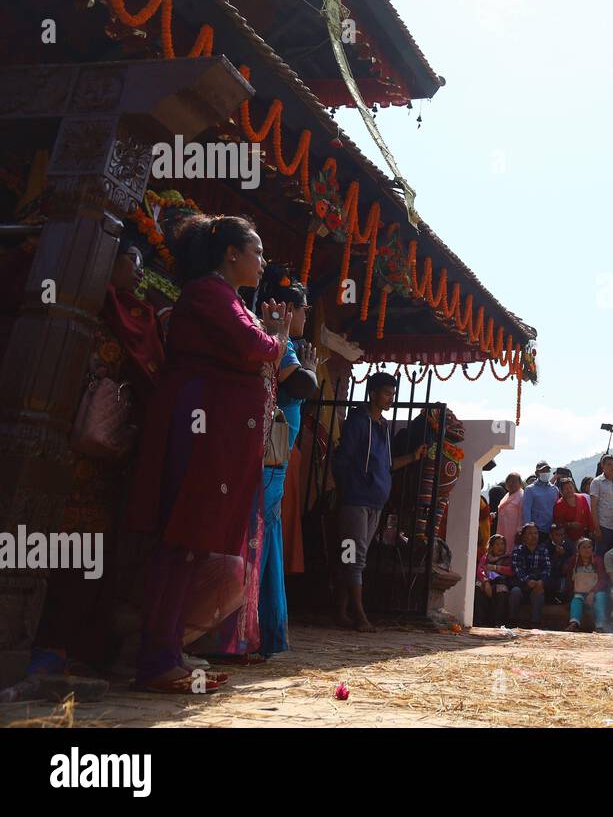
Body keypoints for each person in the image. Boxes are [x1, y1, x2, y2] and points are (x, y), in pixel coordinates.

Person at [128, 215, 287, 693]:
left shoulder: (224, 296)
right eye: (256, 252)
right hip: (196, 426)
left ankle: (169, 652)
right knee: (180, 539)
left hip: (208, 429)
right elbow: (253, 344)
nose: (262, 262)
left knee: (190, 542)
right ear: (231, 254)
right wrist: (278, 334)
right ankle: (157, 660)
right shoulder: (209, 293)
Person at [35, 235, 165, 675]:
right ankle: (49, 642)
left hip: (101, 454)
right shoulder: (92, 307)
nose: (138, 270)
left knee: (88, 553)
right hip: (61, 441)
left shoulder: (132, 315)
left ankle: (70, 645)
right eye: (132, 259)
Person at [253, 265, 317, 659]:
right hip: (269, 454)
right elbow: (299, 383)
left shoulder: (287, 343)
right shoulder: (285, 344)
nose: (307, 318)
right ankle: (250, 629)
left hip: (276, 454)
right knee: (261, 536)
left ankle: (266, 632)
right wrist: (308, 368)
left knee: (269, 536)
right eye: (305, 309)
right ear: (290, 310)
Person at [330, 371, 427, 632]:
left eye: (393, 394)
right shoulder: (359, 423)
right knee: (354, 557)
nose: (390, 399)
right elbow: (341, 460)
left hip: (374, 501)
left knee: (350, 557)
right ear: (373, 393)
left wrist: (412, 457)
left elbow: (387, 465)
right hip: (356, 501)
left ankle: (341, 612)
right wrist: (348, 489)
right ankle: (359, 616)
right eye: (387, 393)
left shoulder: (383, 427)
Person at [510, 523, 552, 628]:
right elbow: (517, 569)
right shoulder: (517, 550)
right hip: (521, 584)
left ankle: (535, 624)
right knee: (515, 592)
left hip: (537, 584)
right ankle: (512, 621)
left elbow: (547, 568)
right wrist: (527, 580)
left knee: (538, 592)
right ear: (523, 536)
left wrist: (541, 581)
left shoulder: (543, 550)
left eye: (535, 533)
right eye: (529, 533)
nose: (533, 536)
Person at [564, 538, 609, 632]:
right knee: (577, 598)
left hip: (595, 592)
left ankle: (600, 626)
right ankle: (574, 624)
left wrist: (592, 593)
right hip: (579, 592)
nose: (587, 550)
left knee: (600, 596)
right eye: (583, 547)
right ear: (578, 550)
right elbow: (569, 579)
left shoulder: (598, 560)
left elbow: (602, 580)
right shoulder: (574, 561)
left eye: (589, 547)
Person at [588, 454, 613, 554]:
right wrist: (597, 529)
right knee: (601, 556)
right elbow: (594, 507)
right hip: (604, 526)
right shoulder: (596, 482)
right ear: (602, 466)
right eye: (609, 464)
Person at [477, 534, 514, 627]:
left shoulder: (507, 559)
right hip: (487, 582)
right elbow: (480, 570)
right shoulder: (485, 558)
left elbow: (510, 571)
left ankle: (498, 623)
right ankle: (479, 621)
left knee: (501, 592)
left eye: (502, 544)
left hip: (502, 582)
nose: (500, 547)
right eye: (497, 544)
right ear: (492, 547)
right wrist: (485, 582)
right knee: (478, 588)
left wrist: (495, 567)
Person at [553, 476, 596, 546]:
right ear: (561, 491)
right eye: (566, 489)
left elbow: (588, 515)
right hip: (569, 538)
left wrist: (592, 530)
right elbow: (558, 524)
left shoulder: (582, 498)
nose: (569, 490)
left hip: (585, 536)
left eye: (570, 487)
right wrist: (570, 524)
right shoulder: (559, 505)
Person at [523, 461, 560, 540]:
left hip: (552, 530)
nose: (545, 473)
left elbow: (557, 508)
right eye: (542, 471)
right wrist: (528, 530)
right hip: (536, 531)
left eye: (547, 471)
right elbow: (526, 510)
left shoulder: (554, 489)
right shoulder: (530, 489)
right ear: (537, 473)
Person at [496, 473, 525, 553]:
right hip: (503, 530)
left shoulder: (522, 497)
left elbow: (522, 516)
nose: (511, 484)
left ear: (520, 483)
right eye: (509, 481)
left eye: (514, 481)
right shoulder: (507, 496)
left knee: (511, 552)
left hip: (513, 533)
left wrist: (519, 532)